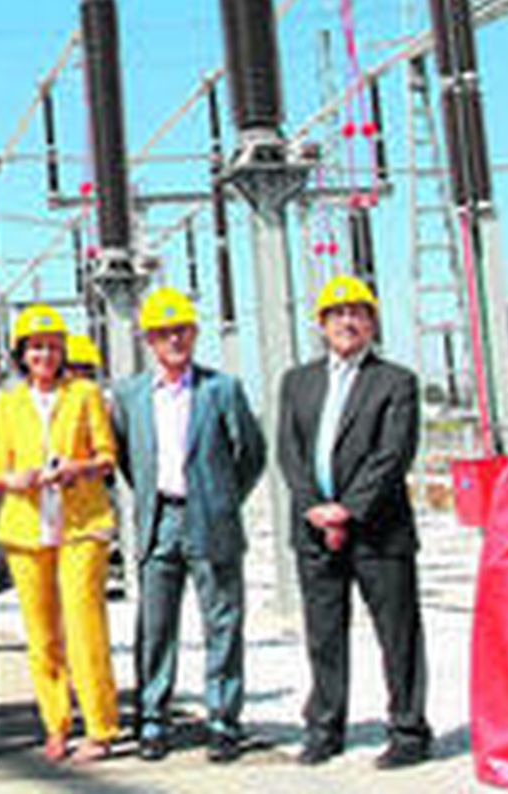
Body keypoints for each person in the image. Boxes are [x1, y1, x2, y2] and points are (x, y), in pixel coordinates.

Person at [277, 275, 432, 770]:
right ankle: (325, 726)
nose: (348, 321)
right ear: (321, 324)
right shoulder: (297, 382)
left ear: (372, 323)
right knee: (324, 633)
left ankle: (408, 730)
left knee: (398, 632)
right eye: (337, 313)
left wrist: (348, 508)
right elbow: (289, 451)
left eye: (358, 312)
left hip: (379, 530)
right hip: (313, 531)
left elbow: (393, 454)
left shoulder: (395, 382)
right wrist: (313, 507)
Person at [111, 286, 265, 764]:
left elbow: (251, 455)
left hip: (210, 519)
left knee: (222, 622)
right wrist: (156, 499)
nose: (173, 340)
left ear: (194, 335)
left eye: (180, 331)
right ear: (149, 341)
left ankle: (223, 720)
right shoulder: (131, 395)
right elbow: (127, 458)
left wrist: (221, 499)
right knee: (155, 626)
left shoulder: (222, 389)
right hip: (159, 520)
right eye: (163, 333)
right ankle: (153, 719)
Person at [0, 305, 120, 765]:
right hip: (27, 528)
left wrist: (78, 468)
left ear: (63, 350)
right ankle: (56, 723)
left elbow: (107, 456)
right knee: (41, 634)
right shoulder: (8, 403)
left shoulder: (84, 393)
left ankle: (101, 726)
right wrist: (14, 479)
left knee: (85, 626)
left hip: (81, 523)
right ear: (21, 354)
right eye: (35, 346)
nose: (43, 354)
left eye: (51, 346)